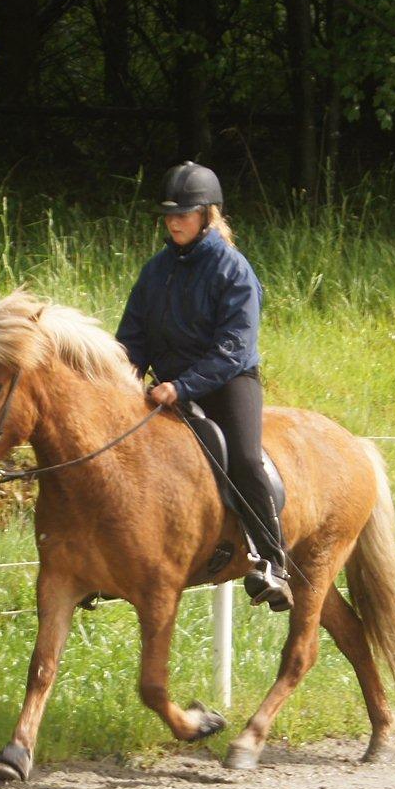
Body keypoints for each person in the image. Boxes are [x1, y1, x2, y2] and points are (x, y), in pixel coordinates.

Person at [116, 161, 293, 611]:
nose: (175, 220)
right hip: (166, 386)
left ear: (208, 215)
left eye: (185, 212)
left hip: (227, 383)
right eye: (169, 213)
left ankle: (272, 561)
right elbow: (132, 336)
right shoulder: (155, 271)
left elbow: (234, 346)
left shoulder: (234, 270)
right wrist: (122, 378)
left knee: (246, 458)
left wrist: (183, 386)